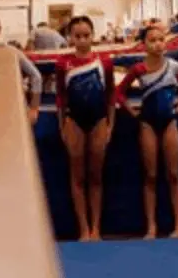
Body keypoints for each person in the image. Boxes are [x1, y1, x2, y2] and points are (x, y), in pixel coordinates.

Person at [116, 23, 178, 239]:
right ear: (144, 44)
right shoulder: (138, 69)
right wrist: (132, 112)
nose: (157, 44)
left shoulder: (174, 66)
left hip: (169, 122)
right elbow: (119, 92)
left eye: (160, 39)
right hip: (147, 123)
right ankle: (152, 226)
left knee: (174, 174)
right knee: (151, 175)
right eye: (152, 40)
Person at [56, 16, 115, 241]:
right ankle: (83, 228)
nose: (82, 40)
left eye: (86, 35)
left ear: (93, 35)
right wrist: (62, 124)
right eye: (77, 36)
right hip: (74, 122)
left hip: (99, 120)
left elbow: (110, 94)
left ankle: (96, 227)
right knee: (77, 176)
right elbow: (61, 97)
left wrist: (111, 124)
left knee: (96, 176)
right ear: (70, 37)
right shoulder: (63, 63)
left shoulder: (105, 61)